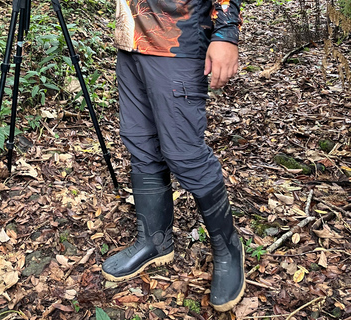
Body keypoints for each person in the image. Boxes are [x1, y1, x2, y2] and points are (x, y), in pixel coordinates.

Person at [101, 0, 245, 312]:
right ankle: (154, 241)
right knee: (140, 143)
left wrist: (226, 32)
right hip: (131, 39)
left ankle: (228, 249)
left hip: (177, 40)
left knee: (184, 154)